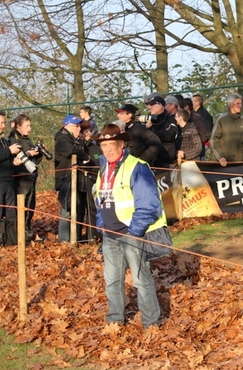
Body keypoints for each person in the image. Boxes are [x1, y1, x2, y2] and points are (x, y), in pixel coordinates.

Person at [93, 123, 166, 328]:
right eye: (103, 145)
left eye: (111, 145)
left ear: (122, 144)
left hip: (130, 234)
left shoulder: (137, 167)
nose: (107, 149)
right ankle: (115, 320)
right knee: (112, 281)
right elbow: (100, 199)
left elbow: (149, 204)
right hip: (110, 235)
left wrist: (134, 231)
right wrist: (102, 224)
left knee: (141, 279)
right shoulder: (103, 169)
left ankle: (151, 323)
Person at [9, 114, 50, 239]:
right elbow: (17, 159)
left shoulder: (27, 139)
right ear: (19, 126)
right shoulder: (14, 139)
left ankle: (27, 231)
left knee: (30, 206)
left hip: (31, 178)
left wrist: (39, 153)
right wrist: (28, 153)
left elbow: (34, 162)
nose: (30, 128)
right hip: (21, 178)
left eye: (30, 125)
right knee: (22, 206)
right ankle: (21, 233)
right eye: (27, 126)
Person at [54, 114, 91, 242]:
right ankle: (64, 240)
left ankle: (75, 238)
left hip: (76, 179)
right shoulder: (62, 139)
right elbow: (72, 149)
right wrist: (84, 155)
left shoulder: (73, 138)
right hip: (66, 179)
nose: (79, 129)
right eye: (76, 126)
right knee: (67, 209)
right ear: (68, 126)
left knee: (78, 209)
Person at [210, 94, 243, 167]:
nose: (240, 106)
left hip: (240, 163)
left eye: (241, 103)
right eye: (238, 103)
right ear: (231, 104)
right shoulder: (221, 120)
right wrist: (220, 157)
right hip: (225, 163)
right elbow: (213, 140)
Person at [80, 120, 103, 241]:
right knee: (79, 209)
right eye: (86, 131)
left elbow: (99, 162)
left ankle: (93, 235)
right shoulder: (79, 146)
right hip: (79, 181)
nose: (89, 133)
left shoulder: (95, 148)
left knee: (92, 207)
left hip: (93, 180)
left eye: (89, 131)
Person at [143, 94, 179, 168]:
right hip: (150, 159)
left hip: (165, 159)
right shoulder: (149, 119)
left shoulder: (170, 119)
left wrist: (151, 133)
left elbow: (170, 135)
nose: (150, 107)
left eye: (152, 105)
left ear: (160, 106)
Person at [0, 112, 21, 220]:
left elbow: (6, 159)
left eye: (4, 123)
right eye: (1, 123)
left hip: (8, 182)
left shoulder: (3, 141)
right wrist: (9, 150)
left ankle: (10, 237)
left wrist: (14, 163)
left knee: (11, 216)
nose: (4, 126)